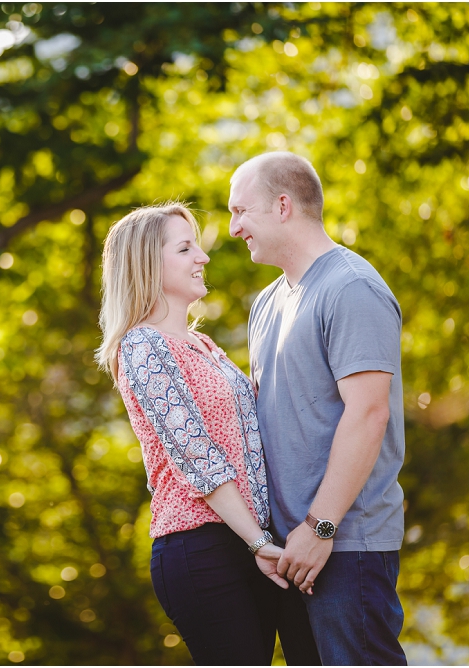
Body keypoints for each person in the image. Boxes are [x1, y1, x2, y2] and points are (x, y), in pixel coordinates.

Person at [96, 203, 320, 666]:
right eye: (185, 247)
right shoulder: (141, 346)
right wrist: (258, 542)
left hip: (247, 539)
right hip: (200, 547)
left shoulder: (203, 345)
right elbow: (198, 457)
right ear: (146, 264)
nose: (203, 256)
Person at [229, 151, 408, 665]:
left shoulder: (350, 287)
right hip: (291, 554)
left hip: (345, 545)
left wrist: (320, 527)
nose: (234, 228)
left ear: (283, 205)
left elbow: (368, 413)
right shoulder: (267, 303)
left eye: (241, 211)